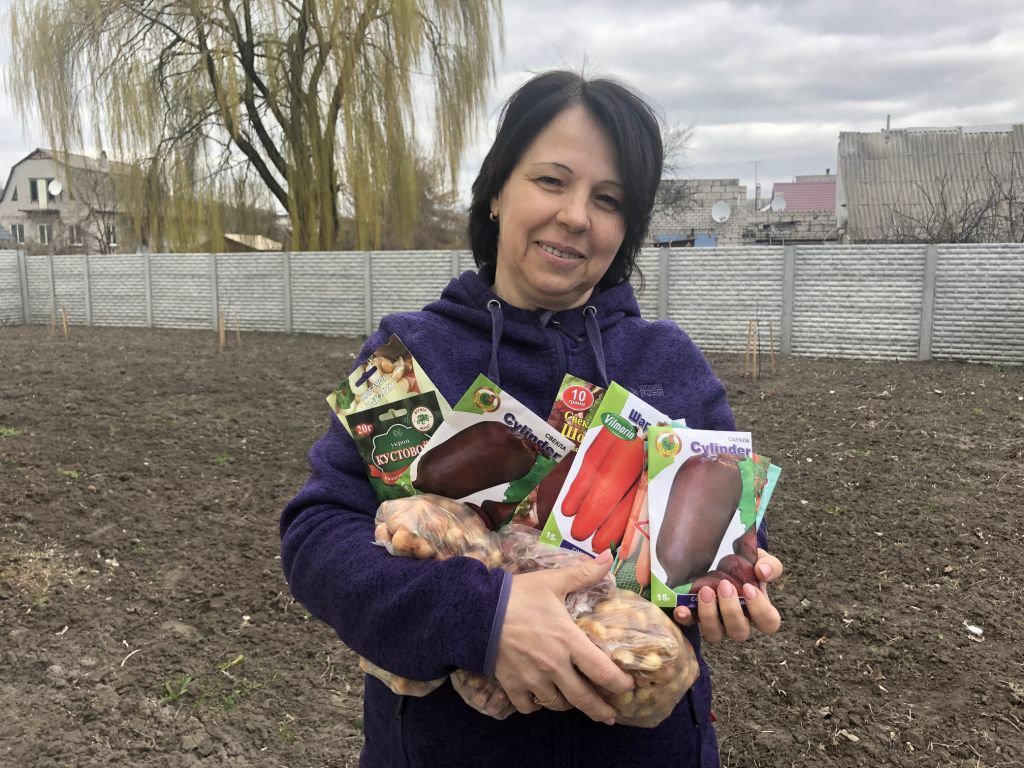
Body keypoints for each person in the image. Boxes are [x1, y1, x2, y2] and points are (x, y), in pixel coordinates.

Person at [280, 69, 784, 768]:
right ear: (496, 192)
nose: (577, 216)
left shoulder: (667, 363)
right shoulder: (413, 355)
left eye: (608, 199)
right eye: (552, 181)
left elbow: (722, 535)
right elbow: (317, 538)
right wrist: (483, 619)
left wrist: (732, 580)